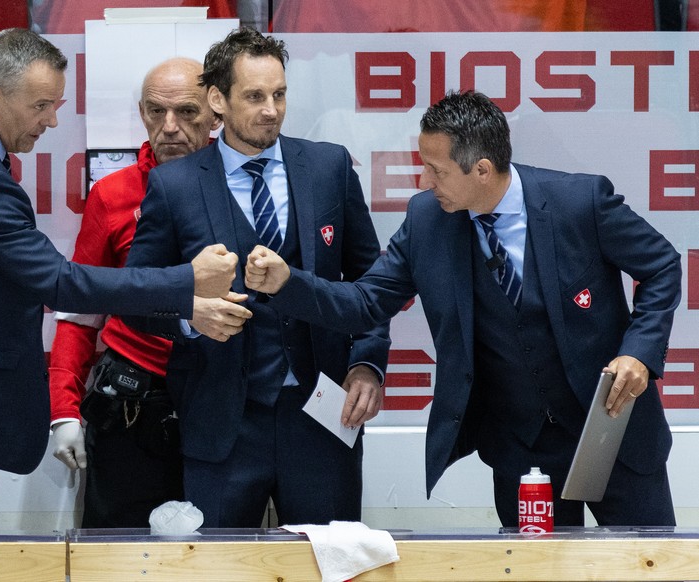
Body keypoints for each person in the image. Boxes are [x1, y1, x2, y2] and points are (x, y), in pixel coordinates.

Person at [0, 29, 237, 533]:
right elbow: (60, 283)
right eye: (42, 106)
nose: (52, 120)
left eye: (58, 104)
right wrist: (187, 283)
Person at [246, 90, 682, 528]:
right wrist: (289, 282)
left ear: (482, 170)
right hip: (522, 450)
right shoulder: (427, 222)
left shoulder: (580, 202)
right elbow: (365, 302)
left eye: (437, 171)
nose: (424, 182)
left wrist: (639, 353)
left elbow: (662, 265)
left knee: (651, 566)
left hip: (612, 431)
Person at [124, 27, 391, 528]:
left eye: (279, 94)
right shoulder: (174, 185)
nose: (271, 109)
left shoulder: (328, 167)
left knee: (330, 561)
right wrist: (191, 319)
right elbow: (137, 298)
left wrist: (368, 364)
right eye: (254, 96)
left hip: (323, 415)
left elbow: (372, 284)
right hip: (221, 422)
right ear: (217, 99)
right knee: (218, 568)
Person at [49, 57, 227, 527]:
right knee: (118, 555)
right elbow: (78, 313)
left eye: (187, 112)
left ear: (215, 113)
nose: (169, 127)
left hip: (223, 398)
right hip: (133, 405)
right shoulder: (112, 194)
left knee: (220, 553)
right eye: (155, 112)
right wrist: (64, 409)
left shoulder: (243, 186)